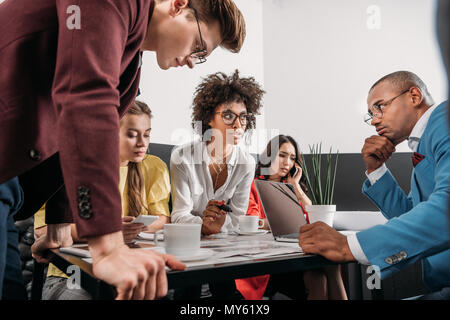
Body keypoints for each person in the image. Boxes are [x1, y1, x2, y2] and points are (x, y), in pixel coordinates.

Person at [0, 0, 246, 300]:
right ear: (179, 5)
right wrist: (108, 246)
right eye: (198, 45)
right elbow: (84, 101)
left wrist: (60, 221)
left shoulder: (130, 65)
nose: (194, 60)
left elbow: (68, 132)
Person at [299, 71, 450, 299]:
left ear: (414, 96)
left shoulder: (445, 121)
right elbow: (410, 214)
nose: (375, 120)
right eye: (371, 114)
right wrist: (376, 170)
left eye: (380, 107)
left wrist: (348, 246)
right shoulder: (425, 140)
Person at [33, 100, 172, 299]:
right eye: (132, 135)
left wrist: (132, 229)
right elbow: (42, 232)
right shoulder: (73, 165)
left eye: (147, 134)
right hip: (71, 276)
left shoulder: (154, 166)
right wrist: (108, 232)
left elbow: (162, 218)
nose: (143, 143)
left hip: (127, 270)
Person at [170, 69, 265, 298]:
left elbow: (238, 218)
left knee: (227, 292)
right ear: (209, 118)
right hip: (187, 246)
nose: (238, 124)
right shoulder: (182, 157)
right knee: (188, 290)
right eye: (229, 115)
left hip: (223, 249)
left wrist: (217, 226)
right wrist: (204, 224)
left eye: (243, 116)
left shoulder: (246, 163)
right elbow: (178, 215)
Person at [235, 135, 347, 300]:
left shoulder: (290, 188)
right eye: (282, 155)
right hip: (268, 262)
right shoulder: (252, 184)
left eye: (292, 158)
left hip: (295, 254)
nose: (287, 162)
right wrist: (288, 223)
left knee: (324, 274)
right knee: (320, 276)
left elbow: (316, 220)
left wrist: (296, 187)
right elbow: (252, 222)